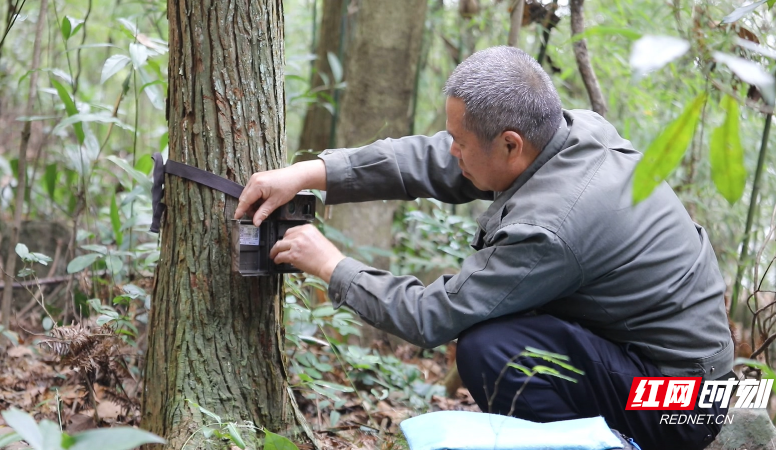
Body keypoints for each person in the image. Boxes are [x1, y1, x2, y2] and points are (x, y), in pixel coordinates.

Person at [235, 46, 733, 450]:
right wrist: (311, 173)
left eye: (460, 140)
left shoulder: (551, 226)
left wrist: (331, 264)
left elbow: (434, 316)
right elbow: (433, 159)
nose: (451, 149)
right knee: (501, 335)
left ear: (511, 144)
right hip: (668, 373)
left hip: (678, 404)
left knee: (491, 348)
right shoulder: (568, 134)